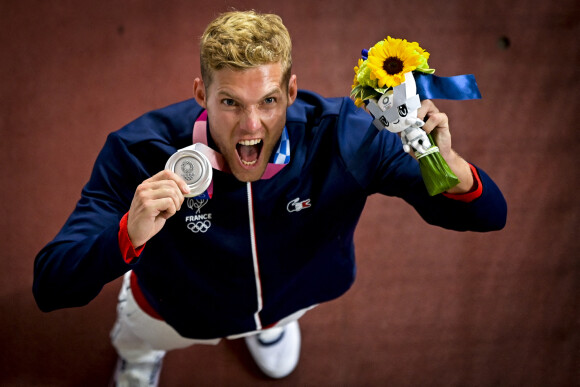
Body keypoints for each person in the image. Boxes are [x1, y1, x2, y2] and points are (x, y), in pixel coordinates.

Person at [33, 10, 507, 386]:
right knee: (140, 340)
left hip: (296, 295)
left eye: (268, 101)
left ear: (291, 92)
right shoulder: (139, 152)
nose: (251, 125)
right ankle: (140, 362)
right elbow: (50, 285)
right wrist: (127, 233)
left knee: (274, 319)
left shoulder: (346, 137)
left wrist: (449, 166)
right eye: (230, 102)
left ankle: (271, 326)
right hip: (171, 311)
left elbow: (491, 216)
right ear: (202, 93)